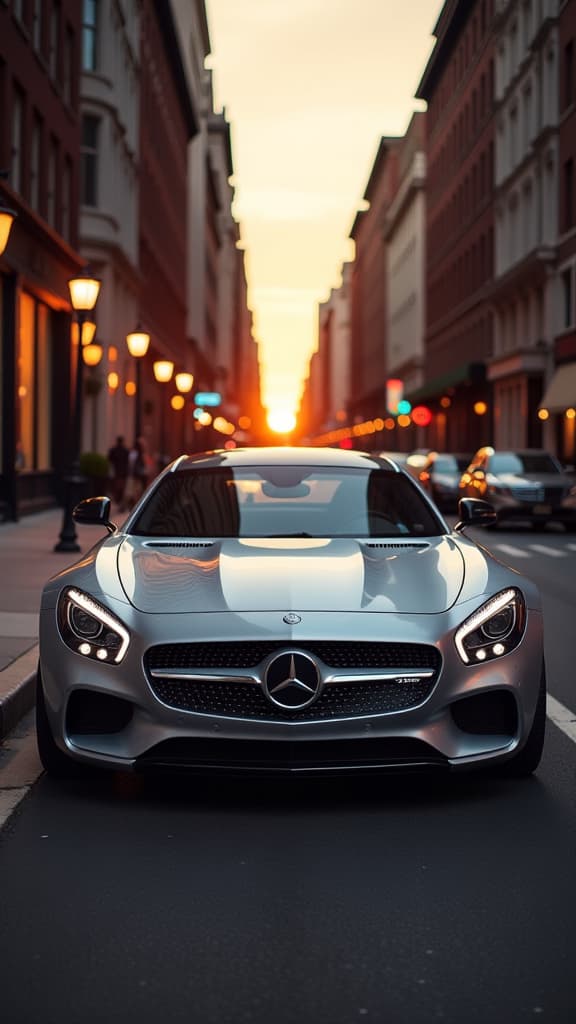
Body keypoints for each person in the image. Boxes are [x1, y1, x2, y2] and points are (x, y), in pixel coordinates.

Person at [127, 435, 154, 507]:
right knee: (139, 490)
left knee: (136, 490)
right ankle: (138, 503)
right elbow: (148, 466)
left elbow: (130, 464)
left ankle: (136, 503)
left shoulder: (133, 454)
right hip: (141, 475)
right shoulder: (143, 454)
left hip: (136, 475)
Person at [107, 436, 130, 510]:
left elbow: (109, 460)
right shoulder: (125, 451)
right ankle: (120, 502)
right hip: (122, 473)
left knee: (117, 488)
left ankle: (119, 502)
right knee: (120, 488)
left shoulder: (114, 450)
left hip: (117, 473)